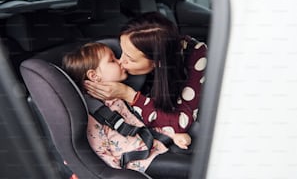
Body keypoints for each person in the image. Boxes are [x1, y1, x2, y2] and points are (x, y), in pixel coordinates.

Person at [83, 12, 207, 178]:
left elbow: (180, 122)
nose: (121, 61)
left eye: (130, 59)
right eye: (121, 52)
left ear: (157, 62)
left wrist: (130, 95)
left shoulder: (196, 55)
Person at [62, 42, 191, 173]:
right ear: (94, 76)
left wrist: (172, 135)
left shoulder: (119, 98)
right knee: (195, 168)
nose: (120, 61)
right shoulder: (93, 115)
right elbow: (100, 156)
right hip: (137, 164)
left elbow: (143, 123)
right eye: (112, 60)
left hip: (155, 148)